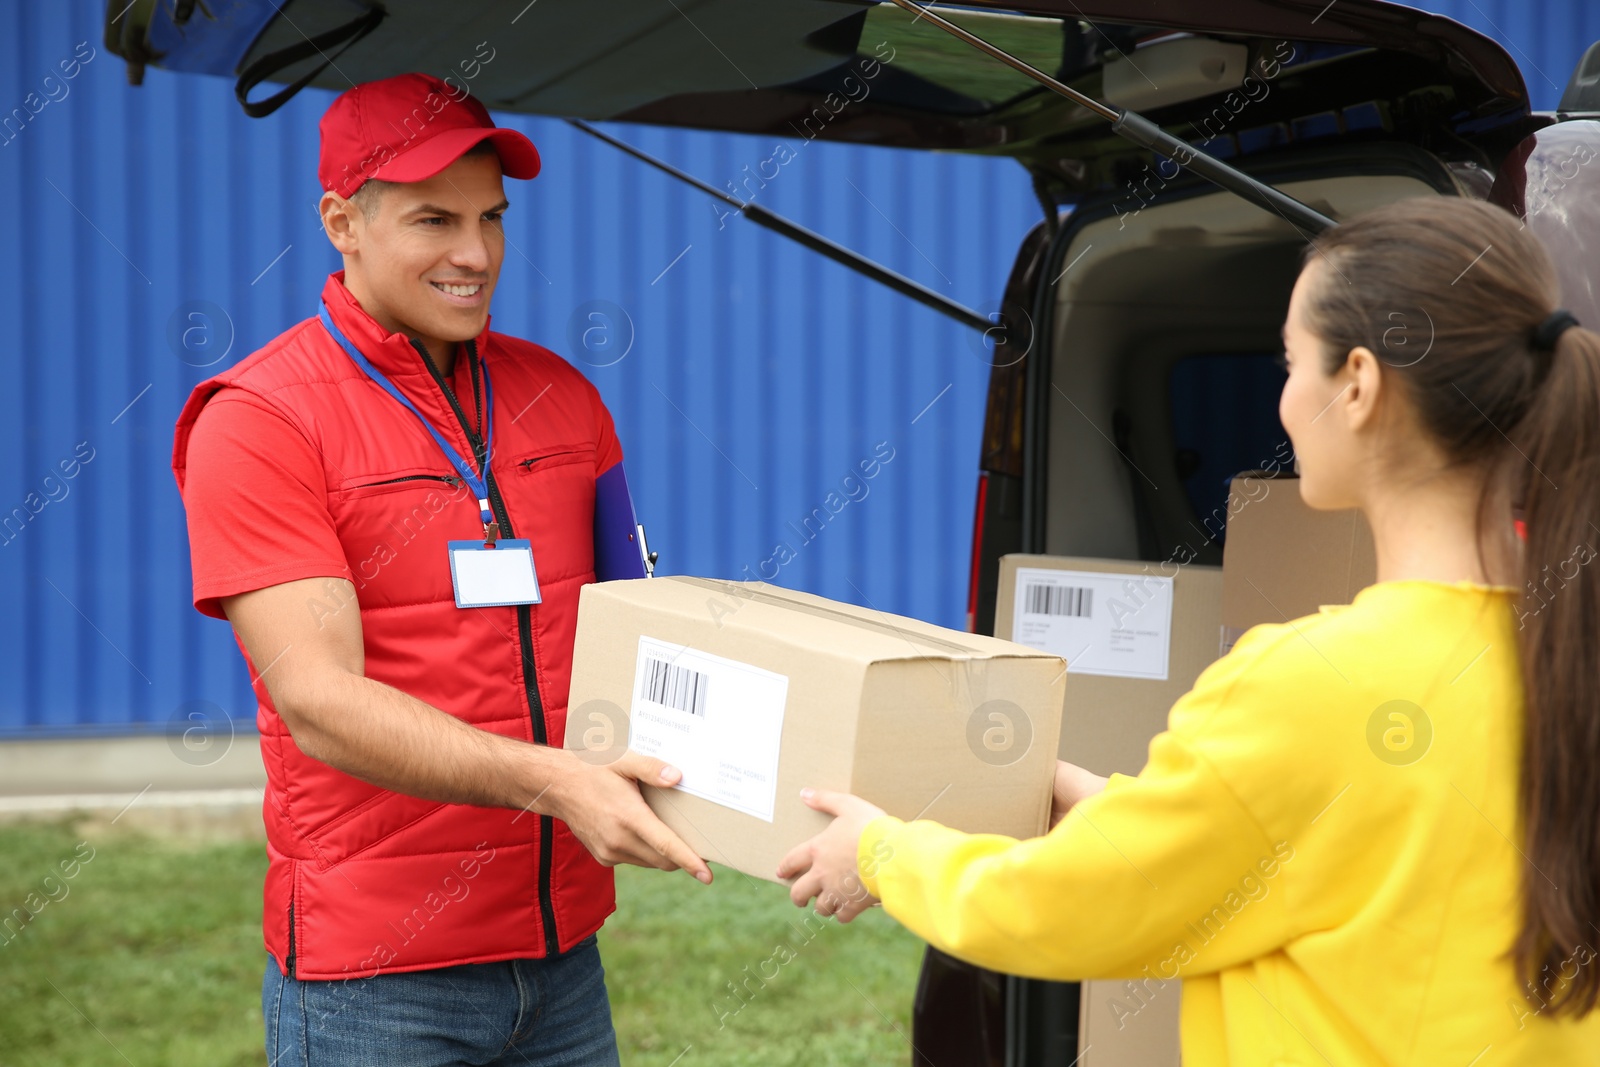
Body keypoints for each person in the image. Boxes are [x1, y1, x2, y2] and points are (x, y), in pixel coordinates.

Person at [780, 197, 1600, 1063]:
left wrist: (880, 850)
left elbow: (1063, 907)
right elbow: (1341, 854)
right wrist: (1129, 812)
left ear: (1357, 384)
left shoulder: (1310, 680)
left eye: (1290, 363)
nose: (1284, 399)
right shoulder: (1568, 649)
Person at [171, 72, 710, 1066]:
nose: (476, 253)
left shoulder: (563, 398)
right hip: (375, 977)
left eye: (491, 217)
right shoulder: (260, 420)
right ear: (343, 220)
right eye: (433, 219)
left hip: (561, 958)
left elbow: (639, 633)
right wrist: (557, 782)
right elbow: (321, 700)